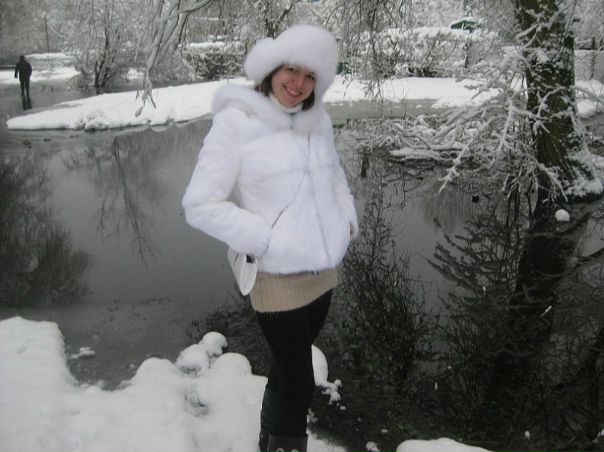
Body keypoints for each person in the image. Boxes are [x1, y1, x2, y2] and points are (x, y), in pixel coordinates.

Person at [182, 24, 358, 452]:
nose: (298, 84)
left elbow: (335, 176)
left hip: (322, 273)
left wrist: (345, 221)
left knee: (285, 368)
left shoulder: (318, 122)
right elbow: (199, 204)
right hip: (276, 278)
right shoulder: (236, 123)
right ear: (272, 68)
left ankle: (267, 438)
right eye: (291, 70)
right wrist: (262, 239)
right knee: (300, 382)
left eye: (310, 75)